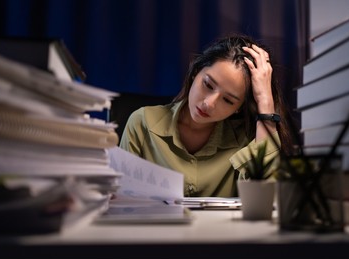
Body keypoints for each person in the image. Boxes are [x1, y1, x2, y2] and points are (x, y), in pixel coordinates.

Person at [120, 34, 293, 197]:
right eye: (208, 85)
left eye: (228, 100)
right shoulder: (142, 123)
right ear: (196, 72)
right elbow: (121, 201)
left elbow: (263, 200)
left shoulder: (247, 139)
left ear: (239, 108)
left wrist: (265, 103)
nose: (209, 104)